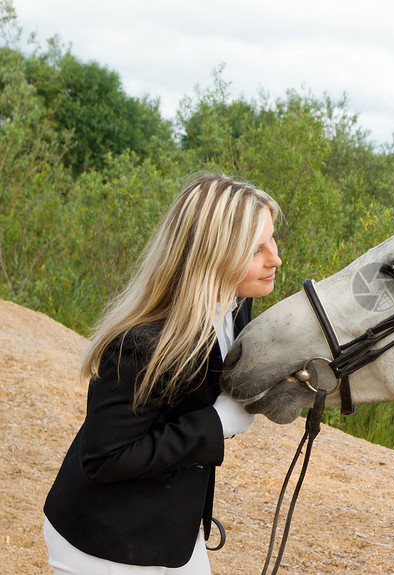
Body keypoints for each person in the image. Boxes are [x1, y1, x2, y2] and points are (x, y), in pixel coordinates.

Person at [43, 173, 283, 574]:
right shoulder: (140, 343)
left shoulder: (237, 303)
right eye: (257, 249)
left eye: (272, 239)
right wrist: (218, 423)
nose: (275, 258)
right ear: (212, 254)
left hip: (170, 529)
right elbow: (104, 458)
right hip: (105, 542)